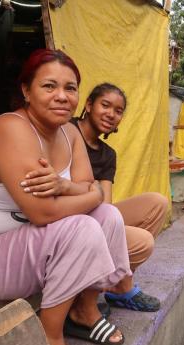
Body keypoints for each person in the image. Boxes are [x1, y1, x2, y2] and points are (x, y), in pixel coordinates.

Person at [0, 49, 131, 345]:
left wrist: (71, 188)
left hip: (37, 248)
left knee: (107, 215)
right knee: (83, 224)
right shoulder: (10, 128)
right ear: (26, 91)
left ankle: (86, 311)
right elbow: (43, 212)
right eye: (49, 86)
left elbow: (84, 186)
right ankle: (50, 340)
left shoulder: (69, 132)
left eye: (70, 88)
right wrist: (91, 193)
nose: (62, 96)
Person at [64, 83, 168, 312]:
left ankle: (117, 287)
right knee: (143, 243)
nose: (111, 114)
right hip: (68, 218)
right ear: (89, 105)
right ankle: (87, 293)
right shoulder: (66, 131)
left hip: (93, 212)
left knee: (157, 204)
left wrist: (95, 194)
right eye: (105, 105)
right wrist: (92, 192)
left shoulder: (107, 154)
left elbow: (105, 203)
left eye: (118, 111)